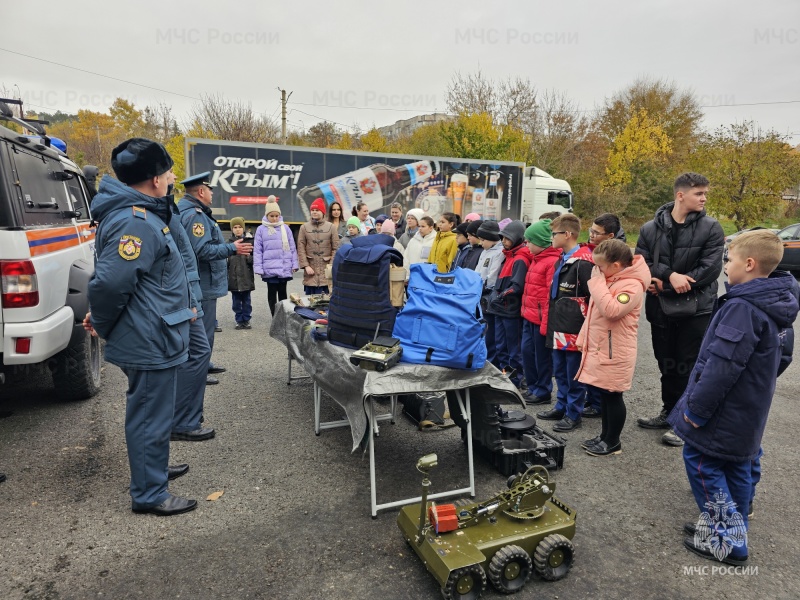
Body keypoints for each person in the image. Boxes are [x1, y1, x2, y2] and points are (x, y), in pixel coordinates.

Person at [667, 230, 799, 566]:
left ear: (750, 264)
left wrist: (696, 410)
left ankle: (728, 540)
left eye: (730, 259)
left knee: (702, 461)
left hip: (723, 407)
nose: (725, 265)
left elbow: (720, 368)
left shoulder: (742, 307)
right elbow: (783, 357)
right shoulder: (777, 301)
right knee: (738, 463)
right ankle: (728, 526)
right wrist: (755, 386)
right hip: (750, 406)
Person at [87, 137, 197, 516]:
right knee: (150, 414)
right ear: (153, 180)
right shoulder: (136, 222)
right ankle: (150, 493)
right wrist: (101, 323)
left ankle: (155, 470)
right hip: (150, 337)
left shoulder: (142, 215)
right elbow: (110, 284)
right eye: (168, 171)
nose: (173, 177)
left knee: (156, 412)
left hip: (155, 332)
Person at [635, 173, 725, 447]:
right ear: (680, 195)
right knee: (667, 362)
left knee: (689, 365)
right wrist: (669, 274)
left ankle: (686, 422)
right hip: (661, 309)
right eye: (699, 193)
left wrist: (666, 284)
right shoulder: (650, 228)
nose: (704, 198)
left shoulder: (711, 227)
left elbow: (710, 270)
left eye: (705, 193)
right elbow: (641, 261)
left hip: (696, 310)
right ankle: (669, 411)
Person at [575, 239, 650, 456]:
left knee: (614, 395)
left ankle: (613, 441)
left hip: (616, 351)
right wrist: (583, 340)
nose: (597, 271)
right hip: (604, 348)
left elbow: (611, 310)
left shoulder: (632, 285)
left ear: (616, 265)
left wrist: (596, 283)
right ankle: (604, 436)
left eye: (600, 266)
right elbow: (593, 315)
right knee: (605, 395)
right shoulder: (611, 280)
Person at [178, 172, 253, 385]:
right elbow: (200, 250)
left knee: (205, 328)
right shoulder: (195, 216)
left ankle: (204, 363)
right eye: (209, 189)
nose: (212, 193)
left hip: (204, 282)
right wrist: (232, 248)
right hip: (203, 282)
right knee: (203, 328)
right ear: (201, 191)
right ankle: (198, 370)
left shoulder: (194, 211)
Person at [536, 214, 594, 433]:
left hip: (574, 327)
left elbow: (593, 297)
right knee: (559, 370)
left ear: (567, 234)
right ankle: (561, 405)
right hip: (558, 325)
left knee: (573, 373)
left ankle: (573, 412)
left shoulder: (584, 262)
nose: (551, 238)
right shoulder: (563, 257)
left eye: (554, 234)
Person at [485, 221, 532, 388]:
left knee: (513, 350)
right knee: (500, 347)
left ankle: (516, 380)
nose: (504, 241)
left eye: (507, 238)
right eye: (502, 238)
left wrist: (501, 296)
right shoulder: (508, 255)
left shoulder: (520, 258)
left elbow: (517, 286)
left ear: (517, 238)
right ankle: (506, 377)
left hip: (510, 310)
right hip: (500, 309)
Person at [520, 219, 561, 405]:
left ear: (541, 242)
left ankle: (543, 390)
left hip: (540, 319)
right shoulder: (536, 259)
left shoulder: (551, 262)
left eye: (529, 241)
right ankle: (533, 386)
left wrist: (545, 321)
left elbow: (548, 297)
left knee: (541, 357)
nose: (526, 244)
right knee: (527, 352)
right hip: (529, 316)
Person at [254, 200, 299, 315]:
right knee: (272, 293)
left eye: (276, 216)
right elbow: (258, 250)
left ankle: (283, 316)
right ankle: (274, 316)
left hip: (284, 267)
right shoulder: (261, 229)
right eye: (271, 216)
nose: (274, 218)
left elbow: (292, 247)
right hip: (270, 267)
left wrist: (294, 264)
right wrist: (258, 267)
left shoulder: (285, 228)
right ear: (266, 215)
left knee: (283, 293)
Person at [473, 220, 505, 367]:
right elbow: (478, 272)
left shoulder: (498, 253)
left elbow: (491, 277)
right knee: (484, 330)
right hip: (478, 294)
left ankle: (491, 363)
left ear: (492, 239)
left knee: (490, 334)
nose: (481, 243)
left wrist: (481, 286)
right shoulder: (485, 251)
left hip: (488, 297)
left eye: (483, 239)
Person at [298, 198, 339, 295]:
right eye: (312, 210)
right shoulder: (304, 227)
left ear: (323, 212)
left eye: (317, 210)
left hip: (326, 270)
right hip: (310, 271)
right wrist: (306, 266)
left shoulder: (331, 227)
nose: (314, 212)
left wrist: (331, 265)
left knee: (325, 304)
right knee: (310, 304)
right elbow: (301, 247)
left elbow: (336, 247)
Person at [227, 216, 255, 329]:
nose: (237, 229)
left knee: (247, 300)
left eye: (239, 227)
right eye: (235, 227)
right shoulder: (228, 244)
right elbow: (226, 261)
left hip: (246, 277)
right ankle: (239, 319)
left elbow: (255, 259)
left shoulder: (249, 242)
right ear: (232, 229)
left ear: (243, 229)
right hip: (234, 278)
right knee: (236, 301)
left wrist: (249, 258)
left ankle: (246, 319)